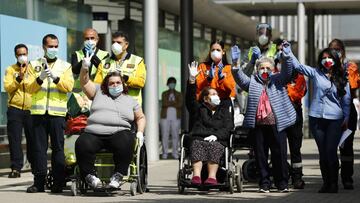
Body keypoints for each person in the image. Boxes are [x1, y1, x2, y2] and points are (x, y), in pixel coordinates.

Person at [282, 43, 351, 193]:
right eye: (324, 58)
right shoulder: (315, 73)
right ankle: (326, 183)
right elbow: (299, 66)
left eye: (329, 58)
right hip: (316, 118)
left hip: (335, 119)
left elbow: (346, 101)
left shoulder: (342, 76)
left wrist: (346, 118)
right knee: (323, 152)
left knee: (331, 150)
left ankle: (333, 183)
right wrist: (288, 52)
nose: (326, 60)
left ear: (335, 60)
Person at [75, 53, 146, 189]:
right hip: (94, 133)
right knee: (81, 143)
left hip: (119, 133)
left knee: (127, 139)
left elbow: (140, 117)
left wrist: (140, 132)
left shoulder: (131, 100)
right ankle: (90, 176)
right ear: (106, 85)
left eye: (118, 82)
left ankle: (118, 176)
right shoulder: (98, 92)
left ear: (123, 84)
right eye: (111, 83)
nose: (115, 85)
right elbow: (84, 82)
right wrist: (85, 68)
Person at [231, 45, 296, 193]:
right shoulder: (252, 82)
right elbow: (240, 78)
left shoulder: (278, 80)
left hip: (276, 124)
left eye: (268, 68)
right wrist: (235, 65)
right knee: (260, 155)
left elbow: (288, 72)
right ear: (257, 69)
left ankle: (282, 182)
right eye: (262, 68)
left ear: (273, 69)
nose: (265, 70)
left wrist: (286, 58)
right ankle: (264, 182)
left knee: (279, 154)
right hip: (258, 126)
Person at [26, 34, 74, 193]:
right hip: (38, 112)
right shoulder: (33, 65)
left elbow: (68, 87)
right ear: (44, 47)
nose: (53, 49)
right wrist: (40, 79)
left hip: (57, 114)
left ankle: (58, 183)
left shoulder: (65, 66)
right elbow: (29, 88)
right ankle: (39, 182)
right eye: (50, 46)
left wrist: (55, 78)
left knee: (58, 149)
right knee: (39, 149)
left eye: (56, 46)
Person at [186, 61, 234, 186]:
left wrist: (217, 136)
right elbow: (190, 100)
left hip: (217, 139)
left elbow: (228, 127)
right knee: (197, 144)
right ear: (205, 98)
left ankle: (212, 178)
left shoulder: (223, 111)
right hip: (199, 137)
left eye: (216, 94)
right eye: (213, 94)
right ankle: (196, 176)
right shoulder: (199, 109)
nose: (216, 96)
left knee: (215, 146)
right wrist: (192, 80)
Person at [275, 41, 307, 189]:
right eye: (279, 51)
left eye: (283, 51)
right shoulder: (272, 72)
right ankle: (280, 177)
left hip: (294, 114)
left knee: (295, 148)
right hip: (277, 114)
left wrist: (283, 88)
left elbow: (298, 93)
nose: (281, 53)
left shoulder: (298, 74)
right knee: (279, 148)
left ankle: (297, 177)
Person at [329, 38, 360, 190]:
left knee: (346, 147)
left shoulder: (351, 66)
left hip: (348, 112)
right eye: (332, 49)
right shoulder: (326, 66)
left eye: (337, 48)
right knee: (330, 147)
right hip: (330, 112)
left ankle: (347, 178)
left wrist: (342, 70)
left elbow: (353, 87)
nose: (335, 51)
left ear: (342, 50)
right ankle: (331, 179)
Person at [3, 44, 34, 178]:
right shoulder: (10, 69)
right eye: (20, 54)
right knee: (15, 140)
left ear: (28, 54)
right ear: (16, 55)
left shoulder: (33, 68)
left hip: (31, 109)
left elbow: (36, 86)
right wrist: (19, 78)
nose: (22, 56)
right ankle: (16, 168)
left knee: (33, 139)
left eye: (24, 54)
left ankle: (35, 166)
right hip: (14, 109)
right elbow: (8, 88)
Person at [94, 31, 146, 105]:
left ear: (126, 45)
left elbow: (141, 82)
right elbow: (97, 85)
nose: (115, 45)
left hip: (131, 105)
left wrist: (124, 77)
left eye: (119, 42)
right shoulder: (104, 62)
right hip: (109, 104)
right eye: (113, 42)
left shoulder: (137, 61)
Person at [71, 28, 109, 93]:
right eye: (87, 38)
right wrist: (85, 59)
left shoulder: (105, 54)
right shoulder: (76, 54)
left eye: (92, 38)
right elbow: (75, 71)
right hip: (80, 91)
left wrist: (93, 55)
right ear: (83, 40)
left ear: (97, 39)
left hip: (97, 90)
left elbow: (104, 69)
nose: (89, 41)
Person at [160, 77, 182, 159]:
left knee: (175, 135)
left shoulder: (179, 94)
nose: (172, 84)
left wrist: (171, 103)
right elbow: (164, 103)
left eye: (173, 83)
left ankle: (175, 152)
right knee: (165, 135)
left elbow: (180, 104)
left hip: (176, 116)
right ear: (168, 84)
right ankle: (164, 153)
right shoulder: (164, 93)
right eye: (170, 83)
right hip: (165, 116)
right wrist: (174, 103)